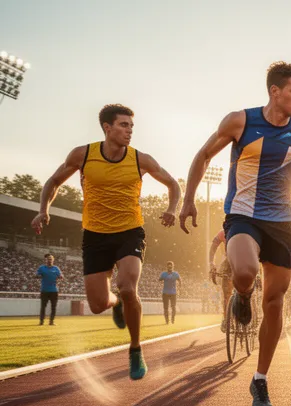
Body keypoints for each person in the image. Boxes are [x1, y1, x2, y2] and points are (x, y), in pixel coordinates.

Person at [179, 61, 291, 406]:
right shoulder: (240, 121)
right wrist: (189, 199)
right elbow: (204, 155)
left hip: (282, 223)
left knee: (276, 302)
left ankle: (261, 378)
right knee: (246, 272)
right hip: (243, 215)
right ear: (274, 91)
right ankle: (242, 294)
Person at [32, 104, 180, 379]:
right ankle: (117, 304)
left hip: (129, 232)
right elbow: (53, 181)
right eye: (124, 125)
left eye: (132, 126)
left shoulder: (140, 159)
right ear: (107, 128)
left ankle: (135, 349)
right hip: (95, 235)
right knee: (99, 304)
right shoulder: (83, 155)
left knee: (127, 285)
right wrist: (44, 209)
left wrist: (172, 209)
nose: (129, 131)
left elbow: (173, 184)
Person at [208, 229, 233, 332]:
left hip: (245, 258)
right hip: (229, 261)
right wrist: (211, 263)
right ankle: (226, 318)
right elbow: (214, 246)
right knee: (226, 295)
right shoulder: (224, 232)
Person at [36, 253, 63, 326]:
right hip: (44, 290)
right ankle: (41, 321)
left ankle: (51, 321)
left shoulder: (56, 268)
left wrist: (60, 277)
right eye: (48, 259)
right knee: (43, 307)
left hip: (54, 291)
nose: (49, 260)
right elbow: (36, 275)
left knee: (53, 307)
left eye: (51, 259)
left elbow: (61, 276)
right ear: (45, 260)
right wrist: (38, 276)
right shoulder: (42, 268)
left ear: (53, 260)